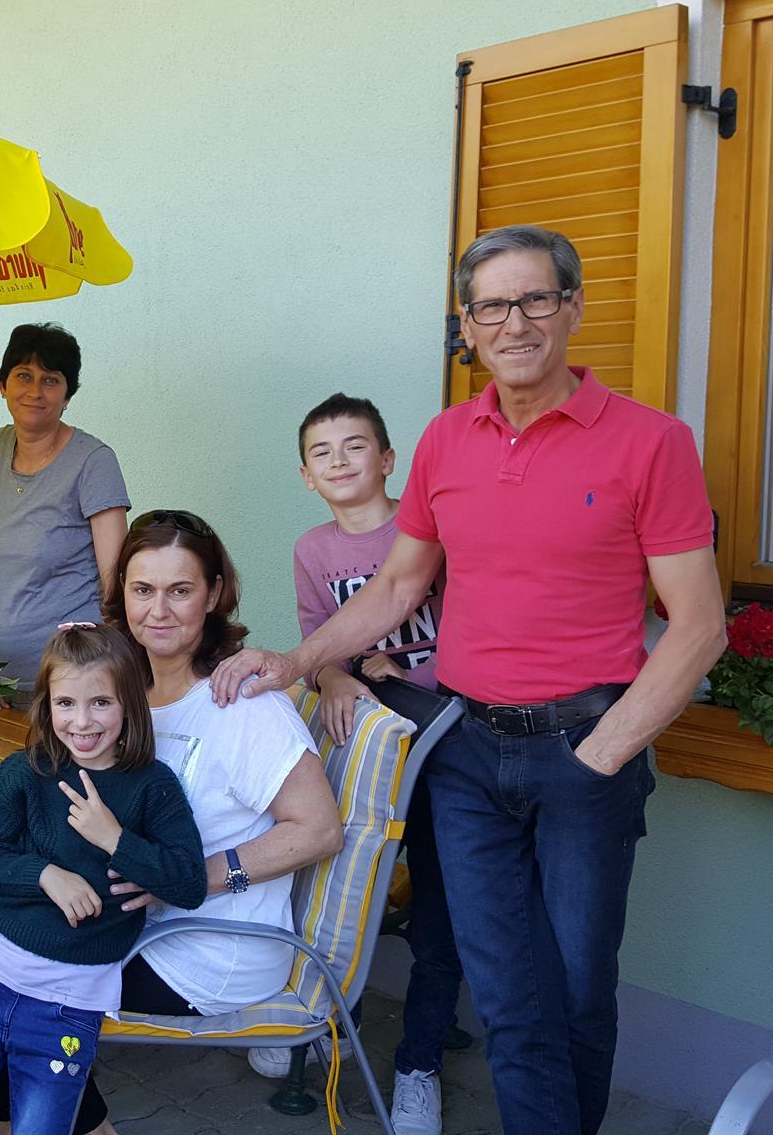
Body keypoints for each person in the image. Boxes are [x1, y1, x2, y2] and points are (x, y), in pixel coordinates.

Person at [210, 225, 726, 1135]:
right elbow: (397, 587)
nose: (514, 323)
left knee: (578, 988)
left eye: (535, 299)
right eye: (492, 306)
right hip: (466, 753)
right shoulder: (448, 440)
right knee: (506, 991)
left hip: (585, 748)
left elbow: (699, 626)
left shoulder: (652, 443)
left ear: (573, 307)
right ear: (468, 325)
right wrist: (295, 663)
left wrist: (603, 754)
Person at [0, 509, 345, 1135]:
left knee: (18, 971)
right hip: (138, 922)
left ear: (214, 594)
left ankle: (33, 1125)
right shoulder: (121, 695)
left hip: (210, 947)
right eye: (143, 589)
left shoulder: (243, 705)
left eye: (180, 590)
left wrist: (188, 878)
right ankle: (7, 1122)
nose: (158, 610)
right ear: (121, 593)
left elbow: (318, 829)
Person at [245, 394, 464, 1107]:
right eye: (322, 452)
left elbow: (471, 630)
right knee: (347, 884)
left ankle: (421, 1058)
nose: (339, 461)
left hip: (447, 745)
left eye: (356, 445)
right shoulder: (313, 550)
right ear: (306, 475)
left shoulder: (426, 531)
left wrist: (407, 676)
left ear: (388, 459)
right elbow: (319, 641)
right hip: (370, 749)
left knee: (439, 902)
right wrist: (334, 676)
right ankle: (331, 1017)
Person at [0, 624, 206, 1135]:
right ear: (46, 706)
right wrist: (46, 874)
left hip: (69, 1008)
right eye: (65, 703)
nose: (82, 721)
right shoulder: (24, 772)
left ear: (129, 705)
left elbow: (190, 883)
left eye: (101, 703)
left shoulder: (152, 786)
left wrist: (115, 840)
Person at [0, 323, 130, 689]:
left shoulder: (93, 462)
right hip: (10, 676)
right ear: (3, 385)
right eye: (24, 376)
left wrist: (111, 679)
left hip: (79, 677)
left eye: (51, 380)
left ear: (68, 395)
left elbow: (117, 584)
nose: (35, 392)